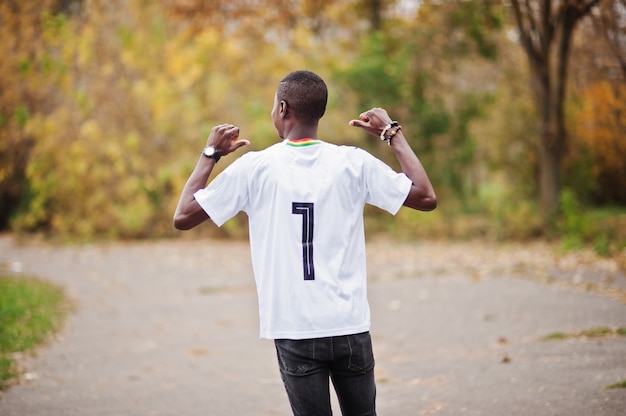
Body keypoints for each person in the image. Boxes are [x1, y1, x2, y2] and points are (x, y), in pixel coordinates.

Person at [173, 70, 436, 416]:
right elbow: (425, 196)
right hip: (349, 325)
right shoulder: (352, 163)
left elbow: (184, 215)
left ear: (282, 109)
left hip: (295, 328)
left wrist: (210, 154)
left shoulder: (255, 168)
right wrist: (391, 134)